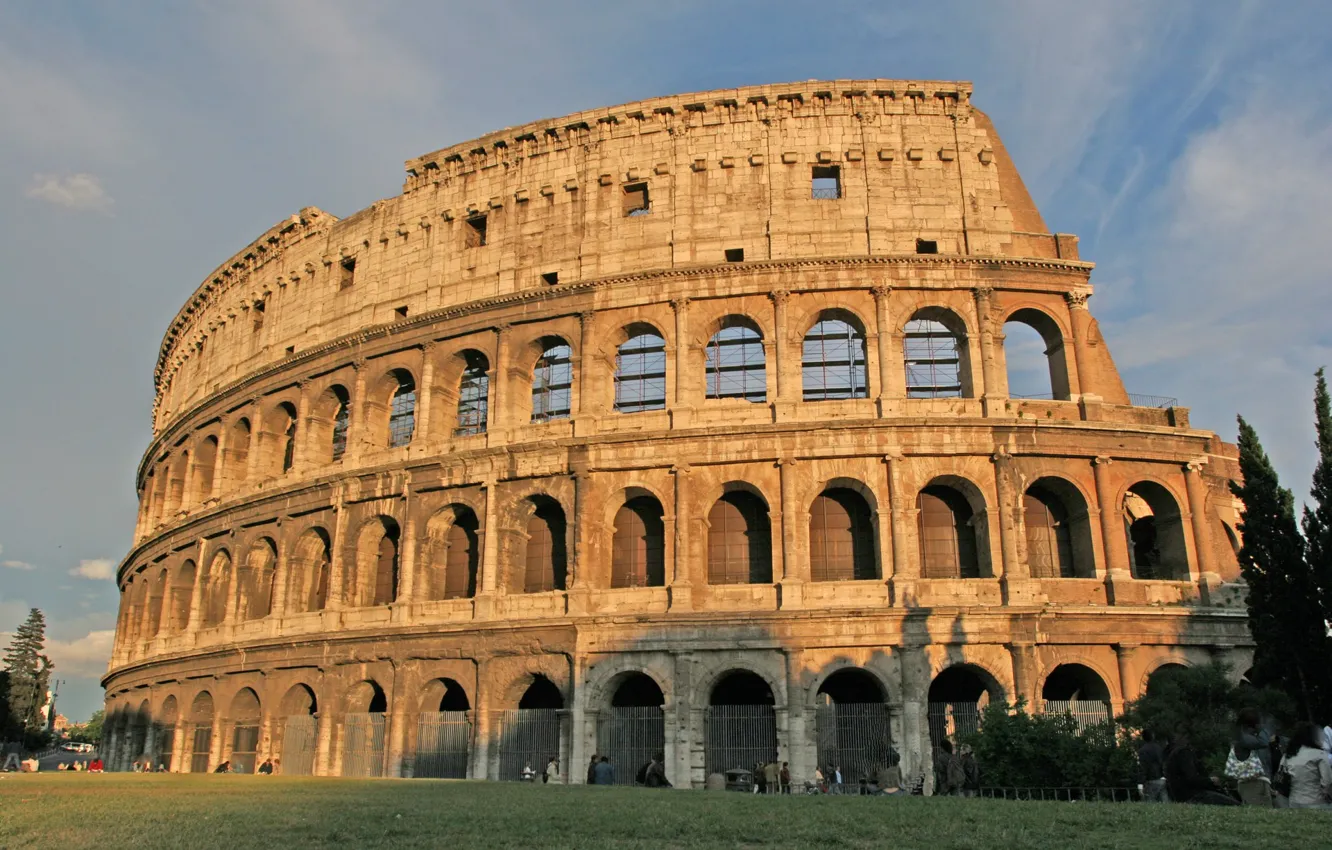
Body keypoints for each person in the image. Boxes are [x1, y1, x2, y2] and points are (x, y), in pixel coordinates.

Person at [1165, 733, 1237, 805]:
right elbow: (1192, 779)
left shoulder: (1172, 753)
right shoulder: (1183, 753)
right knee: (1234, 804)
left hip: (1181, 795)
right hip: (1192, 795)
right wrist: (1210, 780)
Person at [1279, 722, 1332, 809]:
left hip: (1293, 801)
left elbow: (1281, 774)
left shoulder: (1288, 754)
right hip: (1316, 802)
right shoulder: (1320, 755)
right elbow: (1327, 781)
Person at [1232, 708, 1273, 806]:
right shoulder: (1244, 737)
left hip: (1258, 782)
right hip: (1252, 783)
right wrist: (1263, 728)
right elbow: (1263, 742)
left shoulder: (1249, 737)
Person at [1137, 730, 1170, 803]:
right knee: (1165, 803)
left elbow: (1143, 767)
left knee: (1149, 803)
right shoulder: (1159, 748)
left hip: (1151, 780)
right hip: (1161, 779)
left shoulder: (1143, 750)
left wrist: (1140, 783)